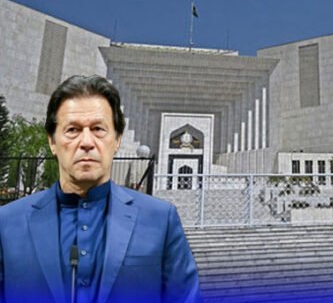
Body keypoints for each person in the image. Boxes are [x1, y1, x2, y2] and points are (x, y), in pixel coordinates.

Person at [0, 75, 202, 303]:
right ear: (52, 142)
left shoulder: (160, 221)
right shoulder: (7, 224)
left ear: (117, 139)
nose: (86, 142)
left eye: (98, 129)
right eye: (73, 130)